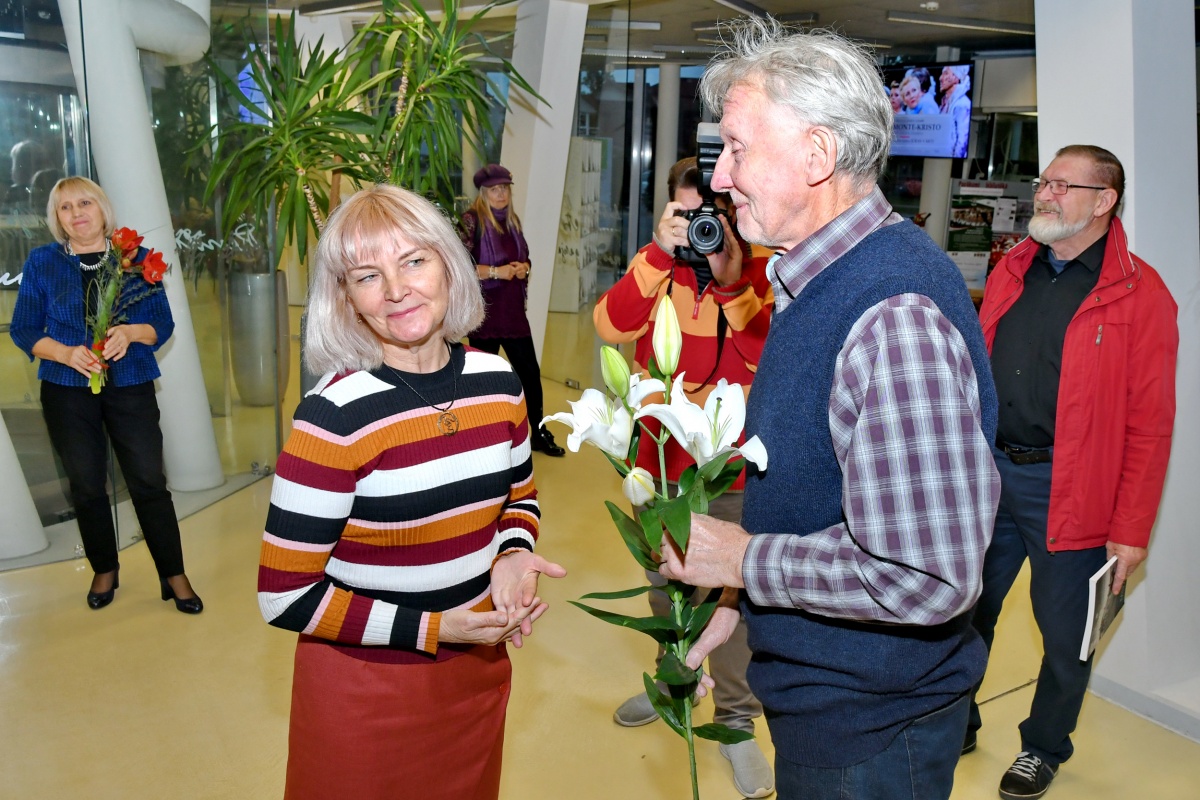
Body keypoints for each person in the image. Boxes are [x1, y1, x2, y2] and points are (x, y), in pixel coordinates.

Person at [655, 21, 1000, 800]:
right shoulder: (819, 279)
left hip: (871, 735)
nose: (722, 176)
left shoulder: (891, 313)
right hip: (837, 709)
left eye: (737, 148)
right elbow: (825, 496)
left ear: (817, 155)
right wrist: (742, 600)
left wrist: (742, 561)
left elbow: (926, 576)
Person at [258, 184, 566, 800]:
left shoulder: (498, 383)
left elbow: (519, 498)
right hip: (366, 695)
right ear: (346, 299)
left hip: (474, 676)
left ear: (449, 264)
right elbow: (284, 596)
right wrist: (436, 628)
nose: (396, 290)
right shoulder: (333, 417)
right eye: (368, 276)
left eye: (414, 261)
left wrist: (512, 554)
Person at [970, 145, 1178, 800]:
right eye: (1045, 181)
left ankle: (1042, 747)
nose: (1045, 194)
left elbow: (1150, 425)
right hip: (989, 473)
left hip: (1072, 489)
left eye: (1063, 185)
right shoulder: (1012, 269)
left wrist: (1131, 531)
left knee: (1068, 637)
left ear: (1105, 200)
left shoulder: (1141, 294)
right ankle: (954, 719)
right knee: (963, 611)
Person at [593, 156, 775, 798]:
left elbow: (766, 354)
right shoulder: (656, 265)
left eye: (712, 215)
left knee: (730, 600)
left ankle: (736, 721)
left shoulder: (762, 270)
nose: (701, 226)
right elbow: (611, 326)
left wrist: (729, 281)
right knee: (663, 587)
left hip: (729, 470)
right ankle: (673, 686)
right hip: (659, 467)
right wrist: (655, 254)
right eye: (686, 213)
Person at [9, 176, 202, 613]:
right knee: (86, 484)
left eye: (85, 203)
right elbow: (24, 328)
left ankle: (173, 573)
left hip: (130, 383)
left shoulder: (134, 258)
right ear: (57, 219)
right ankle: (105, 568)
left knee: (149, 481)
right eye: (65, 207)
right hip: (66, 389)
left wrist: (131, 333)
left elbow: (162, 324)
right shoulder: (42, 261)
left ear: (102, 209)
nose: (76, 213)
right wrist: (65, 353)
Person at [458, 163, 564, 457]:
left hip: (513, 313)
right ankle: (482, 436)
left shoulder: (512, 220)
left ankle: (538, 434)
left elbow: (525, 257)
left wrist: (523, 267)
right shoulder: (471, 220)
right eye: (495, 189)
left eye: (504, 188)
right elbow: (460, 267)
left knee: (530, 374)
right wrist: (497, 272)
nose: (501, 194)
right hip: (486, 314)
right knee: (484, 380)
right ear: (483, 192)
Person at [938, 65, 972, 158]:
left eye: (946, 73)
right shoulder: (945, 103)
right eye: (942, 74)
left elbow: (962, 141)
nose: (940, 78)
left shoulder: (962, 104)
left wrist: (952, 160)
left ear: (956, 77)